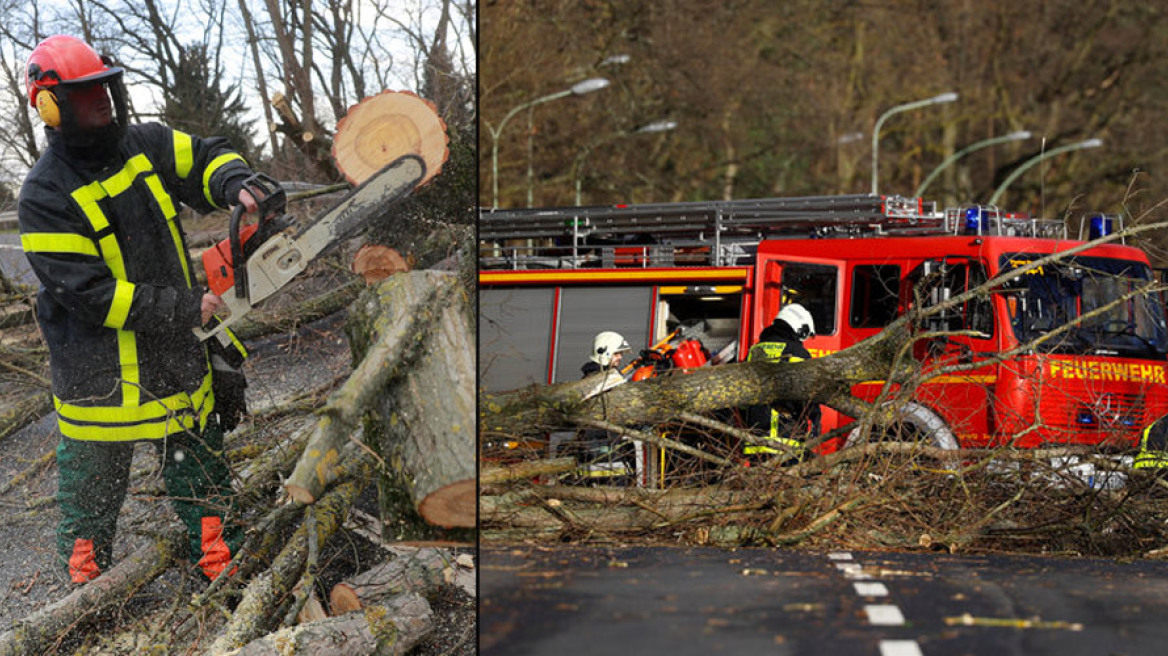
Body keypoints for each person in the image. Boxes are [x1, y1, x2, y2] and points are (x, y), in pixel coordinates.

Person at [18, 35, 260, 583]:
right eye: (85, 93)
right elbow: (87, 292)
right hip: (100, 382)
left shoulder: (143, 143)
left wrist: (237, 183)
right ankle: (88, 594)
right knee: (90, 498)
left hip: (173, 360)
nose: (102, 99)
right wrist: (183, 307)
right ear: (52, 108)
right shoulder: (44, 194)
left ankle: (225, 571)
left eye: (105, 86)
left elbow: (202, 156)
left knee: (199, 474)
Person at [744, 303, 822, 462]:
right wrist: (815, 419)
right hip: (785, 440)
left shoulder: (755, 350)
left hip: (756, 439)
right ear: (800, 329)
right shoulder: (797, 353)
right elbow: (808, 396)